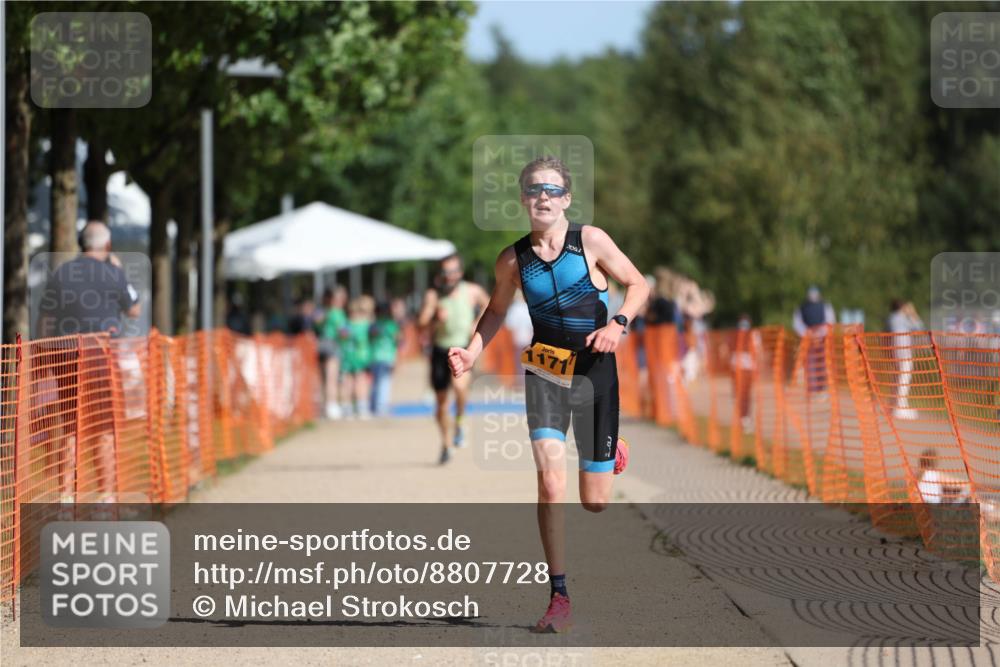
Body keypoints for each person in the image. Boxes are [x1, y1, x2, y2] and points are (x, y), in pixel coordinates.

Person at [447, 156, 649, 633]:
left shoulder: (591, 241)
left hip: (597, 370)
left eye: (553, 190)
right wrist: (473, 352)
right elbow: (495, 311)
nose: (544, 196)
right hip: (546, 373)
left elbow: (638, 284)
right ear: (523, 199)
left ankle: (610, 445)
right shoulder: (512, 260)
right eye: (535, 189)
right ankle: (559, 596)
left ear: (567, 199)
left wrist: (618, 324)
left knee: (595, 501)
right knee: (550, 481)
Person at [37, 221, 141, 504]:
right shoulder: (114, 273)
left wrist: (43, 360)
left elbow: (45, 320)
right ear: (107, 246)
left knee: (70, 427)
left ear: (82, 244)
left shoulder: (61, 273)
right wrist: (119, 271)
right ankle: (106, 498)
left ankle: (66, 498)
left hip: (66, 356)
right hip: (101, 359)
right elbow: (134, 309)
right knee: (103, 428)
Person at [417, 254, 489, 465]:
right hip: (440, 351)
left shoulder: (472, 291)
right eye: (445, 272)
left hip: (463, 348)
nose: (449, 276)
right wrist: (433, 318)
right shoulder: (434, 295)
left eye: (453, 272)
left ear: (460, 272)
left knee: (459, 388)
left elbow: (492, 306)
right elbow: (420, 323)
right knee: (440, 405)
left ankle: (460, 421)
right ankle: (446, 444)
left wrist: (477, 322)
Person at [793, 285, 836, 394]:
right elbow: (797, 324)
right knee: (810, 363)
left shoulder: (825, 306)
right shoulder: (802, 307)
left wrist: (820, 333)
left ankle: (823, 386)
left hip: (822, 339)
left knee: (823, 362)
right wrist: (808, 334)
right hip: (808, 340)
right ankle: (813, 387)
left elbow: (830, 321)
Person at [887, 299, 924, 421]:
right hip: (904, 353)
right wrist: (912, 313)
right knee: (903, 380)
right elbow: (919, 327)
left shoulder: (891, 318)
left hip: (895, 353)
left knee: (896, 380)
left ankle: (893, 406)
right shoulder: (902, 318)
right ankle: (899, 408)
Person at [340, 295, 374, 419]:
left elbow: (341, 336)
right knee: (360, 382)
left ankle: (347, 408)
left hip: (347, 357)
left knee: (347, 382)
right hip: (361, 357)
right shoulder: (365, 324)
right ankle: (361, 407)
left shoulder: (345, 324)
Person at [320, 286, 349, 419]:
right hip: (333, 346)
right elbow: (343, 332)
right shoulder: (337, 313)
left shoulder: (327, 312)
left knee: (328, 377)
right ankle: (332, 405)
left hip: (326, 345)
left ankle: (329, 404)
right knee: (332, 377)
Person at [369, 300, 401, 417]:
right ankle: (381, 407)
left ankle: (373, 405)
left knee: (375, 382)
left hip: (374, 356)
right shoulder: (391, 325)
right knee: (384, 382)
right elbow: (398, 340)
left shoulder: (374, 324)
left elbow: (370, 337)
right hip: (387, 357)